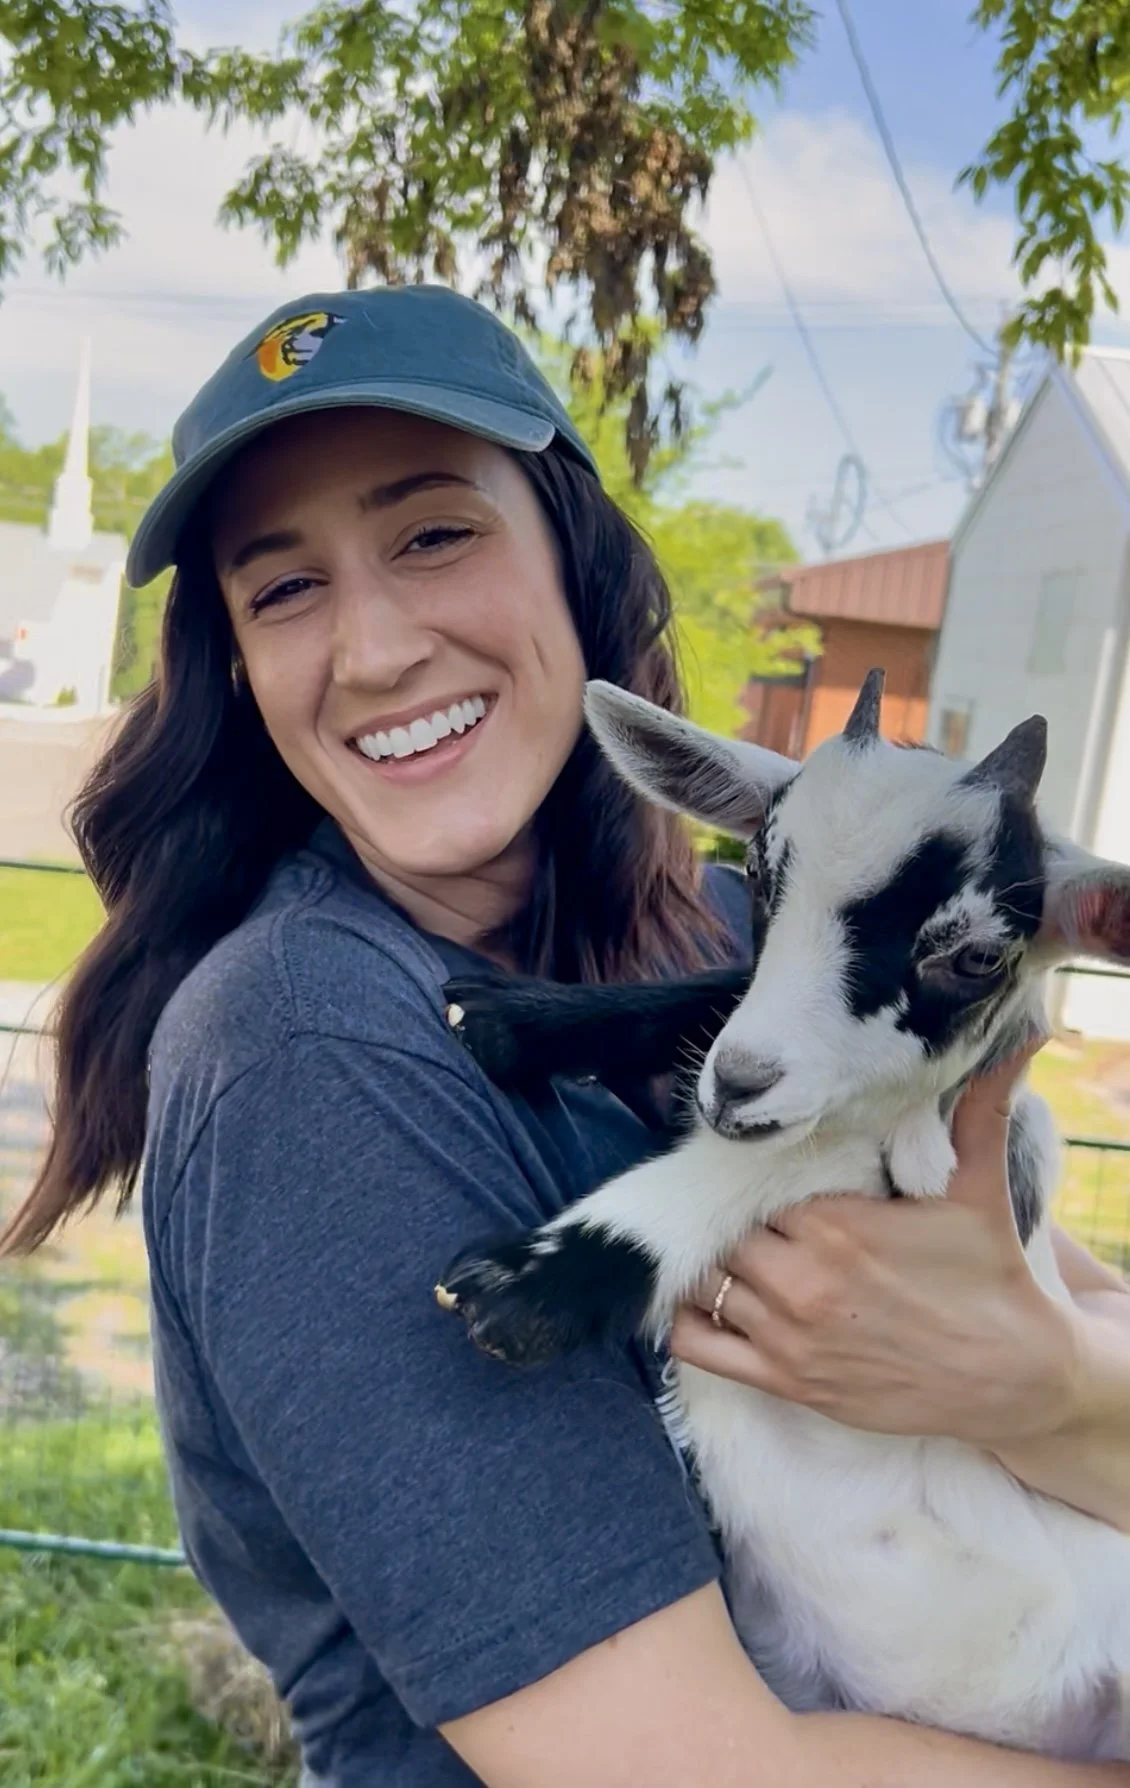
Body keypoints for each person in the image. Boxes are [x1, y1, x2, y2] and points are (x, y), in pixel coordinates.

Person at [4, 285, 1129, 1788]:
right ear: (234, 666)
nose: (379, 647)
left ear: (572, 565)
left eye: (433, 533)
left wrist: (1048, 1385)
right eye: (282, 590)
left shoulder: (750, 943)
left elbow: (1071, 1314)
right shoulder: (305, 1045)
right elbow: (679, 1768)